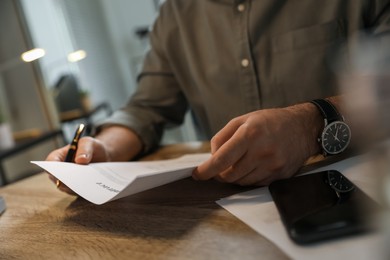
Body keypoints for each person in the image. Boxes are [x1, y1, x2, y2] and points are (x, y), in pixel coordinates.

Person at [47, 0, 390, 194]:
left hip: (366, 192)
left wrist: (309, 126)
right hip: (234, 215)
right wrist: (105, 148)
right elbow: (146, 109)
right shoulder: (175, 15)